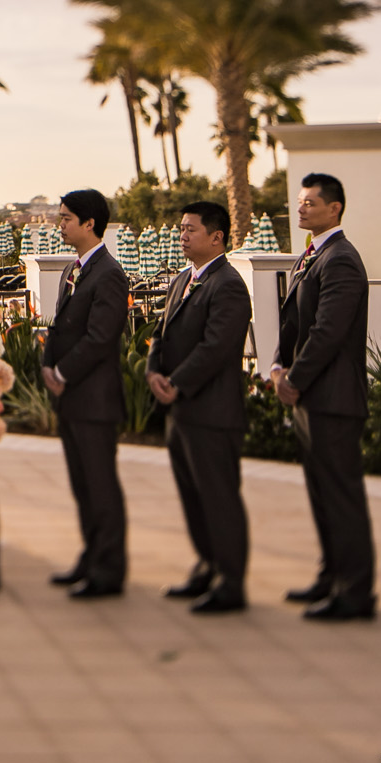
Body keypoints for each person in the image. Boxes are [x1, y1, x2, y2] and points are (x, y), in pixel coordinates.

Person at [272, 173, 376, 621]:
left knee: (341, 496)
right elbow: (292, 322)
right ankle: (329, 576)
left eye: (311, 203)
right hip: (310, 396)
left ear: (335, 208)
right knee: (321, 494)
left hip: (333, 396)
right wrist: (278, 364)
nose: (302, 209)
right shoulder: (310, 257)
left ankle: (355, 592)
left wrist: (295, 378)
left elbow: (328, 331)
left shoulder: (341, 260)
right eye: (300, 202)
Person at [147, 202, 253, 615]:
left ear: (216, 237)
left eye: (191, 229)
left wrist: (177, 382)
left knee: (218, 496)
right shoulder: (181, 280)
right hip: (181, 411)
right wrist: (155, 371)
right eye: (181, 229)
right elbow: (160, 331)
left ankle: (231, 581)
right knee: (192, 495)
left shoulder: (227, 284)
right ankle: (206, 567)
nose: (183, 235)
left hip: (212, 411)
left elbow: (217, 347)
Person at [41, 188, 129, 599]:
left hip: (94, 397)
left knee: (100, 484)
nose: (59, 225)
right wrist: (47, 361)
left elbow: (101, 337)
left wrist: (62, 370)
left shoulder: (109, 274)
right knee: (82, 485)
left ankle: (108, 569)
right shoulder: (71, 270)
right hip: (72, 397)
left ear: (89, 223)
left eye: (65, 219)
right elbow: (62, 327)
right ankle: (90, 556)